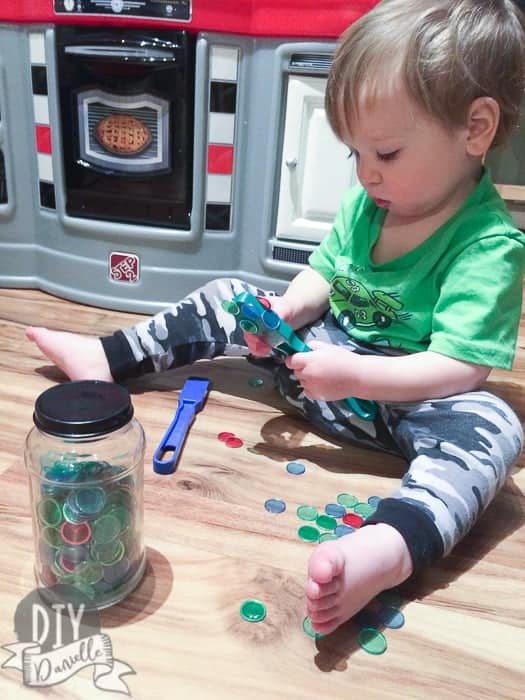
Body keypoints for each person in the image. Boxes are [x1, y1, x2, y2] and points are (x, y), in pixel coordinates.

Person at [27, 0, 525, 636]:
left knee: (494, 430)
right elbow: (323, 274)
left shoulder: (487, 246)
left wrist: (355, 377)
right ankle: (110, 358)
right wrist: (284, 312)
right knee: (236, 292)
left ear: (475, 129)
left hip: (410, 402)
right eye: (355, 155)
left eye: (389, 153)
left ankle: (388, 549)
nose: (368, 173)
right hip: (317, 364)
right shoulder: (368, 202)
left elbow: (460, 368)